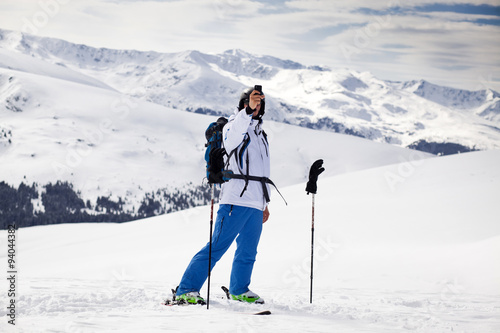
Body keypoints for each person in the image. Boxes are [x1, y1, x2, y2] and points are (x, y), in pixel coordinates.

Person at [175, 86, 272, 304]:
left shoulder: (261, 135)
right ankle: (185, 289)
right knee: (216, 247)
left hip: (256, 203)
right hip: (235, 200)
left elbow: (263, 170)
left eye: (259, 105)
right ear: (244, 105)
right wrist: (247, 112)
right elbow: (232, 137)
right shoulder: (233, 128)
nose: (257, 108)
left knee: (248, 251)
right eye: (252, 104)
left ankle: (239, 289)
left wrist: (264, 203)